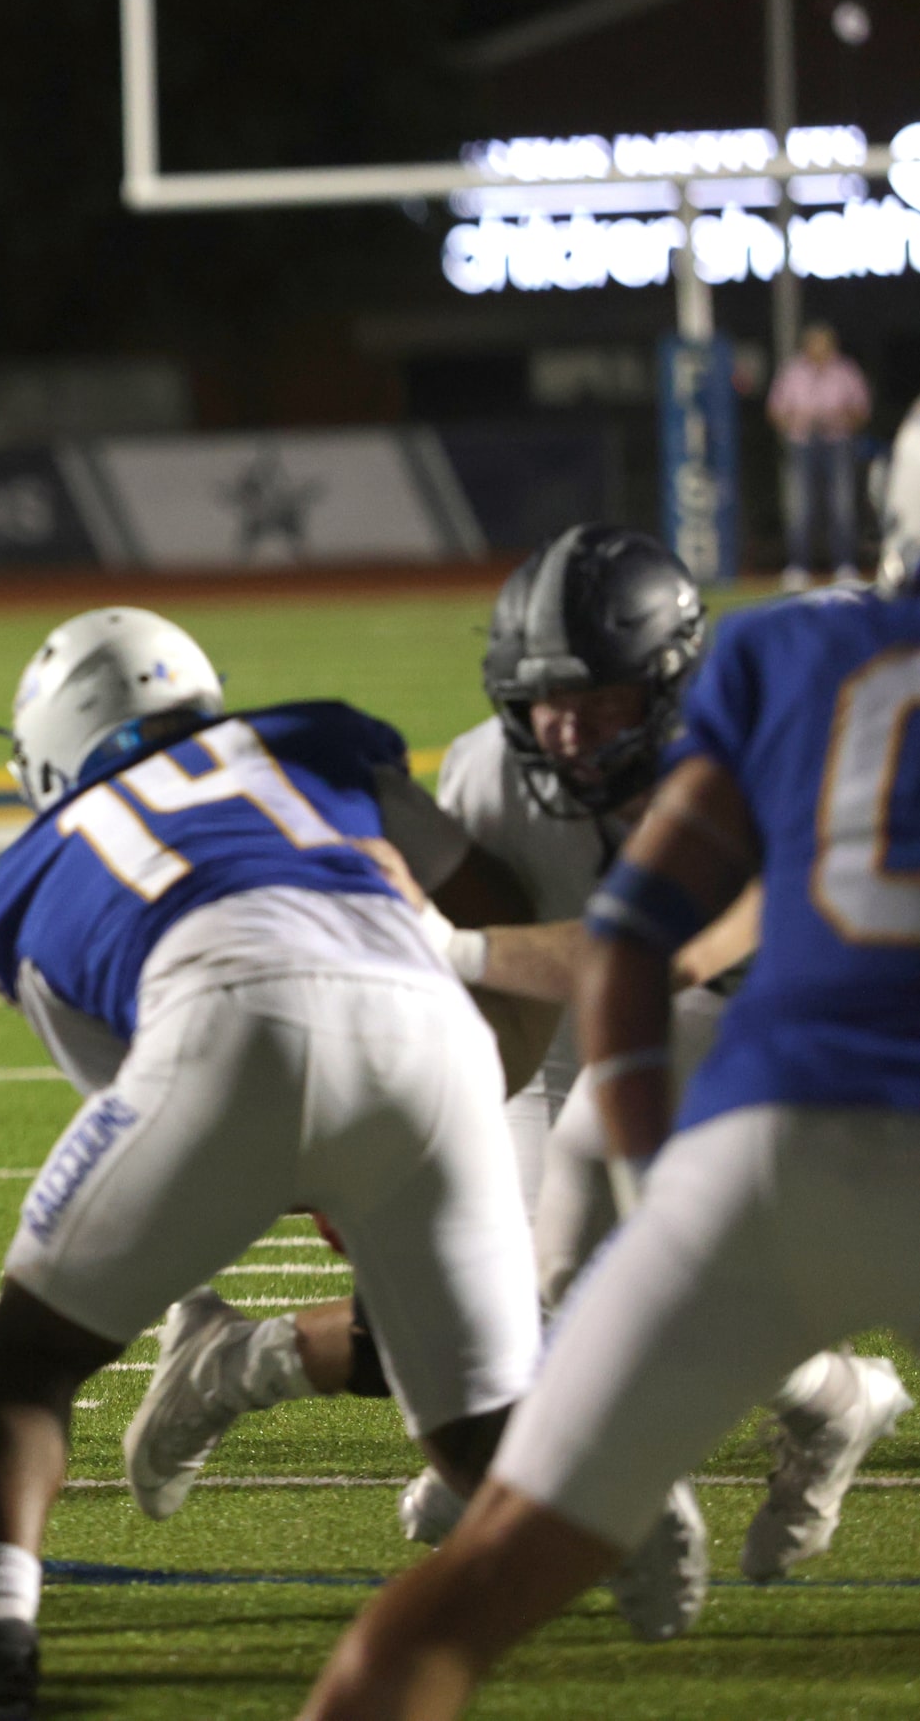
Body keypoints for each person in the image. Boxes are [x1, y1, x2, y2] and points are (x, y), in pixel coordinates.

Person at [300, 445, 920, 1721]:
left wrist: (657, 1206)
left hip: (759, 1113)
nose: (570, 728)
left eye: (601, 698)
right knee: (530, 1271)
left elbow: (649, 947)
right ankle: (828, 1398)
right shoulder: (503, 763)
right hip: (678, 1069)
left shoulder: (787, 660)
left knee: (459, 1595)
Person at [0, 607, 544, 1719]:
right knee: (476, 1428)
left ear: (50, 745)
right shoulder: (319, 740)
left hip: (225, 1027)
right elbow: (498, 910)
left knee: (29, 1364)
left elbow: (138, 1095)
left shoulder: (27, 880)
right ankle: (633, 1508)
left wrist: (298, 1171)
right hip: (436, 1029)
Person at [767, 322, 871, 589]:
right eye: (814, 343)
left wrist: (840, 420)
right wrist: (795, 425)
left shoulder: (845, 370)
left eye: (824, 343)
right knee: (800, 507)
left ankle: (845, 565)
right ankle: (799, 567)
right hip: (802, 444)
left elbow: (862, 409)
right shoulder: (793, 371)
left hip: (837, 443)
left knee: (842, 505)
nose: (819, 349)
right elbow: (776, 409)